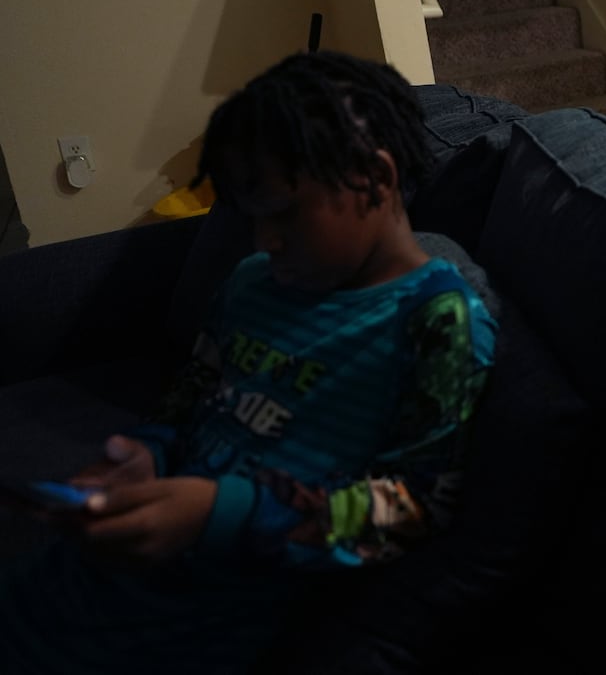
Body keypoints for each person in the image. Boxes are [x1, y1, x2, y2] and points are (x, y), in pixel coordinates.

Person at [0, 51, 498, 673]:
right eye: (252, 216)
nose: (265, 239)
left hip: (198, 624)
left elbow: (410, 508)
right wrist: (145, 454)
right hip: (78, 578)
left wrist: (219, 512)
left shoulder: (439, 319)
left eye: (284, 212)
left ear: (374, 178)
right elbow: (194, 394)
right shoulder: (253, 280)